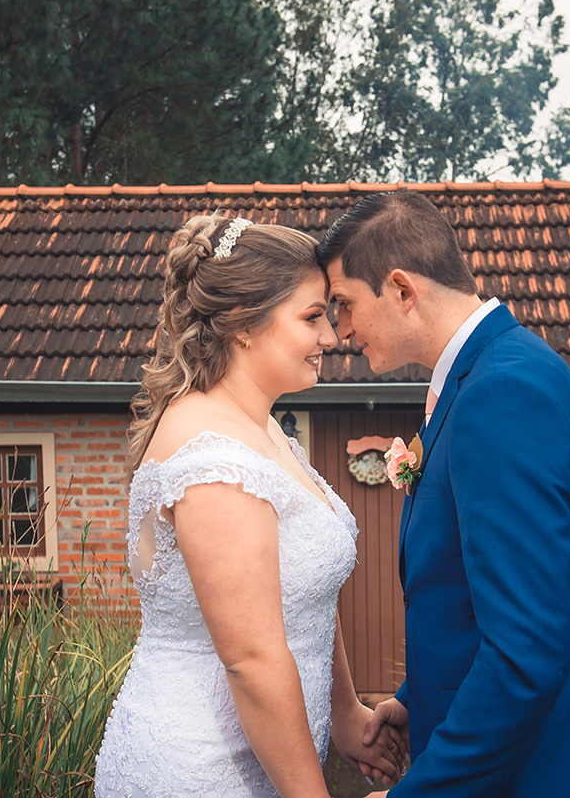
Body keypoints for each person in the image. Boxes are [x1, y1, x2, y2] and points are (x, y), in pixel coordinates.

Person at [316, 190, 570, 798]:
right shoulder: (486, 376)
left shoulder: (502, 393)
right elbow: (467, 599)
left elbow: (526, 652)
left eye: (343, 304)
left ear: (401, 289)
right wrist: (416, 700)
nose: (339, 331)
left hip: (548, 772)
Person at [93, 215, 406, 798]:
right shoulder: (213, 457)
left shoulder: (260, 427)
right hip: (201, 770)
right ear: (242, 324)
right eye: (312, 317)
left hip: (268, 763)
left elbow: (302, 590)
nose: (332, 337)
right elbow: (253, 660)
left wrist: (347, 713)